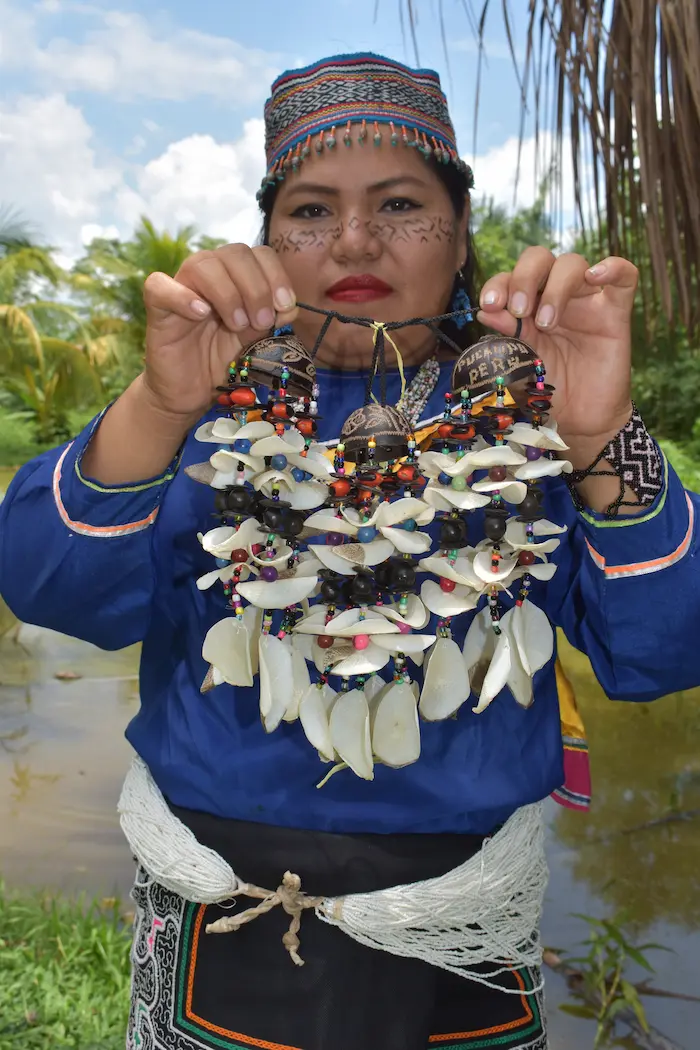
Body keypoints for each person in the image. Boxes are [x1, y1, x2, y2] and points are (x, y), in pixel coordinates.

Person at [1, 52, 699, 1050]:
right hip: (220, 935)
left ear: (460, 233)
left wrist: (598, 429)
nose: (356, 239)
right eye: (311, 211)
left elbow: (669, 649)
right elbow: (50, 592)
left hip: (462, 936)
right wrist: (157, 405)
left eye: (402, 204)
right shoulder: (205, 407)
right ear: (270, 241)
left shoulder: (529, 415)